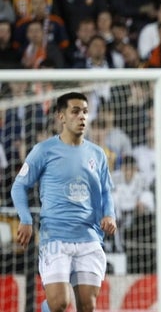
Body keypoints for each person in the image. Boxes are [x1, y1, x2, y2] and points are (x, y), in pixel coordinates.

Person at [11, 92, 117, 312]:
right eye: (75, 111)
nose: (82, 117)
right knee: (60, 303)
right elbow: (19, 185)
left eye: (85, 112)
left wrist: (109, 215)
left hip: (89, 237)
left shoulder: (97, 154)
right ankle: (46, 308)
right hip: (55, 237)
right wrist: (25, 218)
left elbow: (106, 191)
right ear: (61, 116)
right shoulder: (44, 150)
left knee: (87, 306)